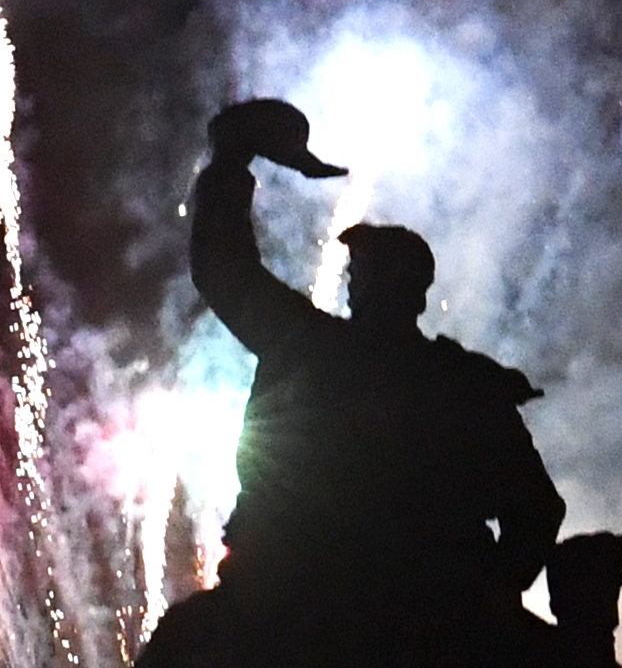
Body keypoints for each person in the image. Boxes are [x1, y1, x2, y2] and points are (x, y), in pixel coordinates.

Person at [188, 97, 561, 603]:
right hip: (424, 617)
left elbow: (224, 268)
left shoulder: (306, 346)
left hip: (298, 603)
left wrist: (230, 163)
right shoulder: (466, 385)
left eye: (360, 274)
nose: (350, 285)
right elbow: (537, 510)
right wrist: (487, 596)